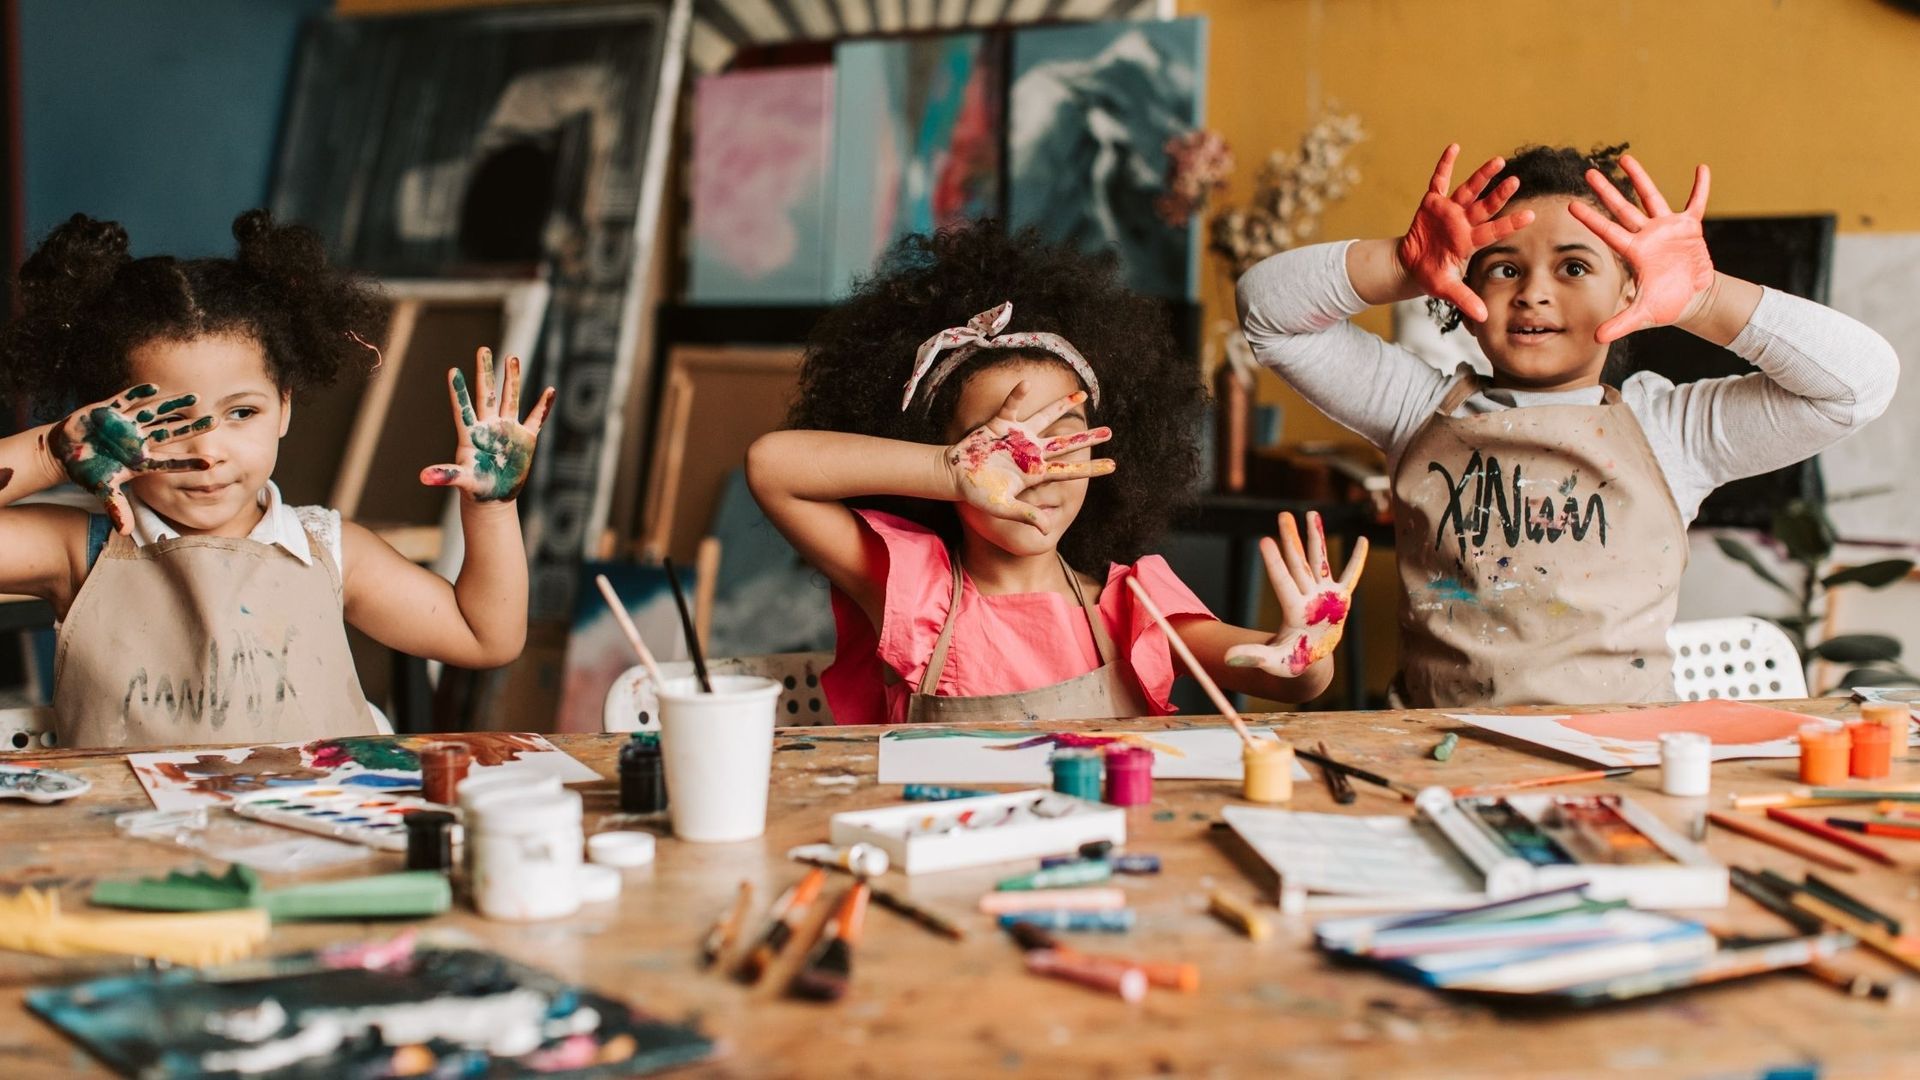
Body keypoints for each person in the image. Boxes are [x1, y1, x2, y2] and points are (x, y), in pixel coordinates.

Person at [1238, 143, 1898, 707]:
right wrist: (1403, 265)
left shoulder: (1670, 430)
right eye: (1503, 267)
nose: (1534, 291)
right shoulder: (1412, 408)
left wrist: (1703, 297)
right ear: (1462, 293)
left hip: (1619, 765)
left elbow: (1857, 385)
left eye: (1575, 267)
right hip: (1433, 758)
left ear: (1631, 291)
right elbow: (1266, 311)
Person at [748, 222, 1364, 725]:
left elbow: (1288, 680)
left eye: (1063, 443)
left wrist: (1303, 652)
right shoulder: (912, 592)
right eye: (997, 447)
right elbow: (771, 467)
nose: (1035, 471)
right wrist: (946, 470)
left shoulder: (1132, 604)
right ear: (948, 455)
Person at [0, 211, 555, 746]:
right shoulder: (82, 551)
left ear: (285, 408)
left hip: (320, 832)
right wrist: (50, 453)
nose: (209, 452)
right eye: (167, 423)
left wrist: (492, 509)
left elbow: (489, 637)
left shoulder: (328, 552)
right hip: (136, 840)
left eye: (242, 413)